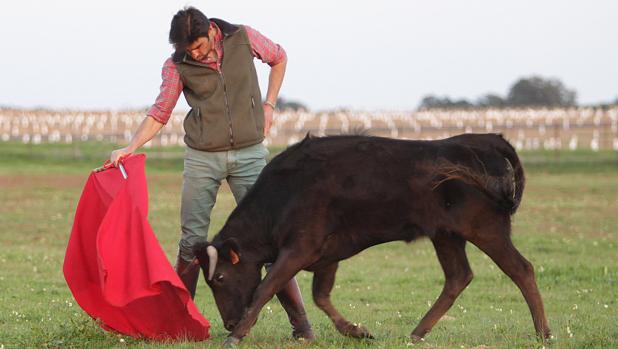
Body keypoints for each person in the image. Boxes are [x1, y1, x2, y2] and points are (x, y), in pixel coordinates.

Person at [109, 7, 314, 340]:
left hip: (250, 154)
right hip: (202, 158)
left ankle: (301, 326)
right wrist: (130, 146)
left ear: (211, 33)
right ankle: (180, 325)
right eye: (188, 51)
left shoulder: (244, 38)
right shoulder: (176, 65)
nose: (195, 54)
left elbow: (279, 57)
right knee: (191, 244)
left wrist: (269, 105)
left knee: (272, 241)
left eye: (199, 47)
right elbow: (161, 111)